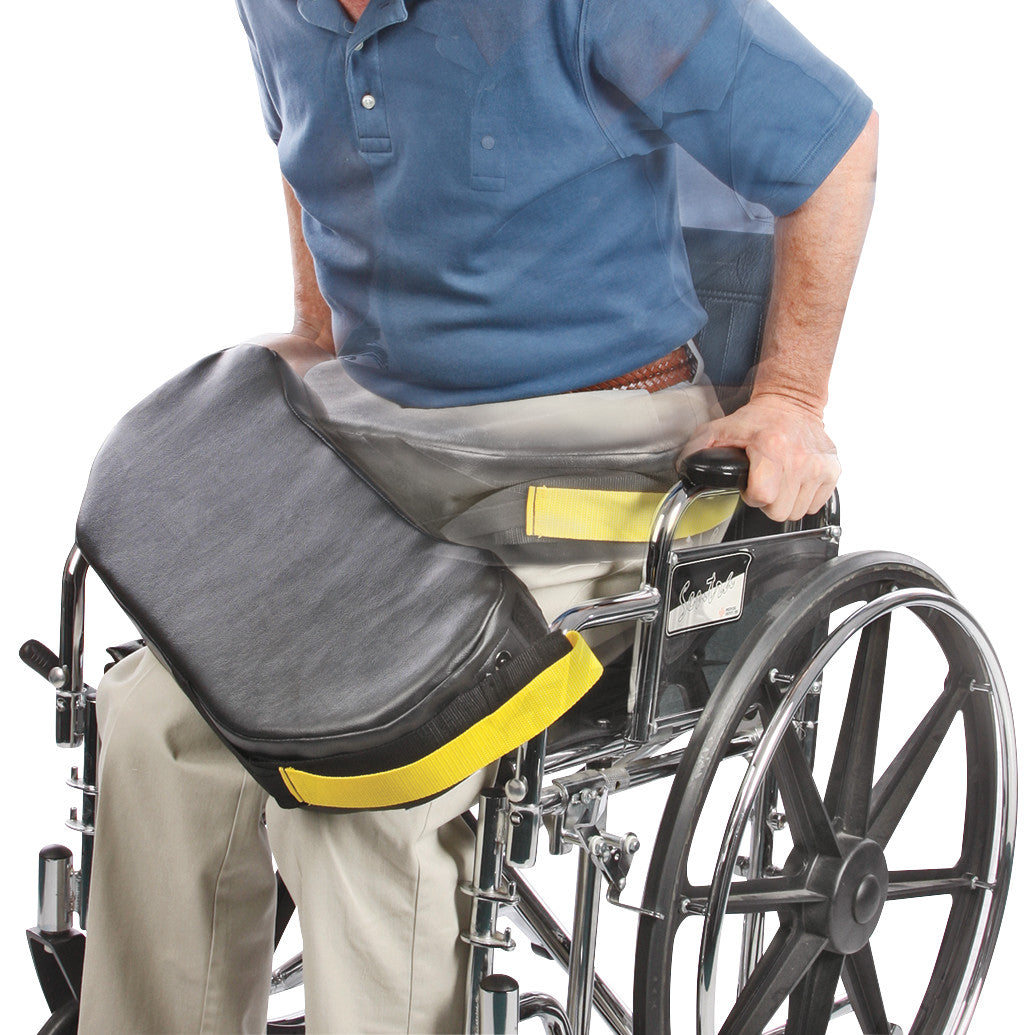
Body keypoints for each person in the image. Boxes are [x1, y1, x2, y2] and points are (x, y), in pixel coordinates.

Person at [77, 0, 877, 1031]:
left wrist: (792, 400)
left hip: (595, 457)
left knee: (367, 790)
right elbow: (299, 143)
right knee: (150, 721)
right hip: (384, 457)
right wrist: (317, 332)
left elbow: (834, 139)